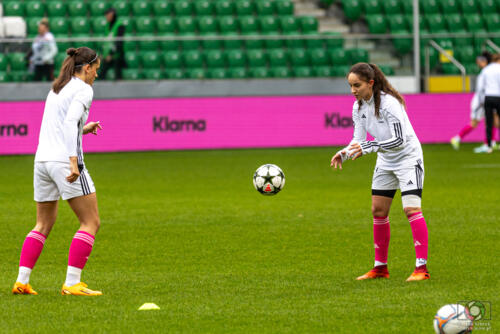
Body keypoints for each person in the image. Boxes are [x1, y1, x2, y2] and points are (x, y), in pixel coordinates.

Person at [12, 47, 103, 296]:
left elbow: (60, 126)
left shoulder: (57, 87)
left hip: (42, 161)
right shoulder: (84, 89)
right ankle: (72, 282)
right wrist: (73, 163)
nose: (97, 73)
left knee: (43, 223)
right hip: (64, 162)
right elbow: (68, 123)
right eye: (96, 69)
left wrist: (84, 129)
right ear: (86, 68)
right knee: (90, 221)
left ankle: (22, 281)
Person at [331, 63, 430, 282]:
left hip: (408, 158)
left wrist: (369, 147)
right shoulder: (358, 107)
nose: (353, 90)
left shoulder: (389, 104)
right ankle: (380, 268)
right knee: (378, 211)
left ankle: (421, 269)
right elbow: (358, 139)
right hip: (386, 160)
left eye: (357, 85)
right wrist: (345, 153)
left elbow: (399, 140)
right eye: (350, 86)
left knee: (411, 209)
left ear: (371, 83)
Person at [450, 51, 500, 153]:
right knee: (475, 123)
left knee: (491, 121)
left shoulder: (486, 71)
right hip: (480, 102)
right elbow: (480, 89)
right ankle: (457, 138)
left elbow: (481, 88)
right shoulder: (488, 71)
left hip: (485, 100)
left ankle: (490, 142)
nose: (478, 64)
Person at [477, 53, 500, 154]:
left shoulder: (486, 70)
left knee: (489, 122)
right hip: (498, 96)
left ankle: (489, 145)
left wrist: (481, 100)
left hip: (488, 97)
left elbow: (480, 87)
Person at [99, 8, 125, 80]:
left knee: (118, 75)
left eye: (107, 15)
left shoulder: (120, 25)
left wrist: (111, 54)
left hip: (116, 55)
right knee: (101, 74)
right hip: (107, 55)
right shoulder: (107, 25)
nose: (106, 17)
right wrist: (101, 53)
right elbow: (105, 41)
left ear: (112, 15)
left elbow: (119, 42)